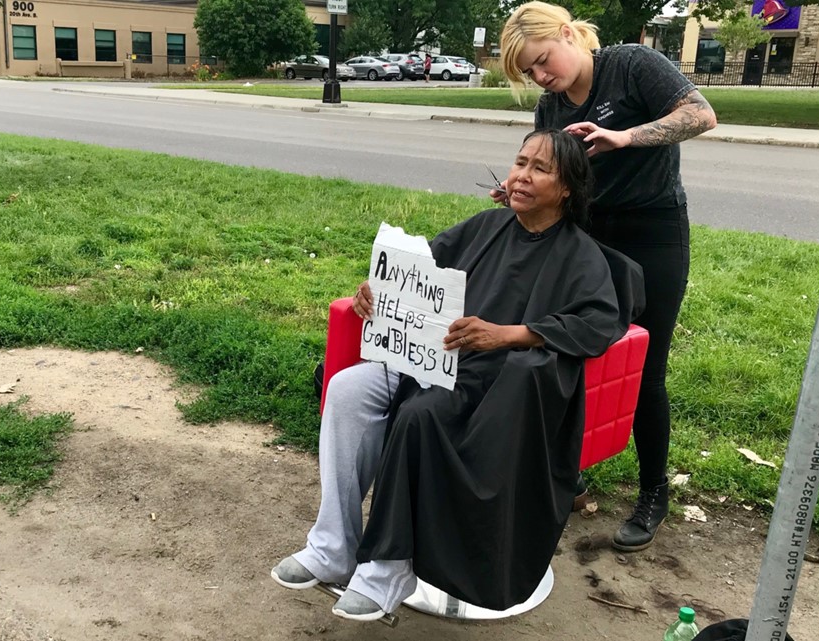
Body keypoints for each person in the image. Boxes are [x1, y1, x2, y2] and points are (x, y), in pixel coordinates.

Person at [271, 129, 644, 621]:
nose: (522, 176)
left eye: (540, 169)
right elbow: (417, 272)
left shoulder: (579, 255)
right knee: (346, 389)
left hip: (492, 385)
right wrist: (374, 292)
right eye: (520, 162)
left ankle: (387, 569)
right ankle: (333, 546)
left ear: (568, 187)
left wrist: (508, 334)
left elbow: (596, 322)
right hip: (430, 360)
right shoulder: (485, 228)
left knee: (418, 415)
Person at [498, 1, 717, 552]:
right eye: (531, 72)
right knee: (570, 352)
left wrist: (626, 136)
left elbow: (700, 115)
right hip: (585, 237)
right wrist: (523, 188)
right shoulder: (550, 108)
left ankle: (653, 493)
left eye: (544, 61)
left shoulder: (631, 64)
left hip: (652, 231)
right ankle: (570, 472)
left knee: (644, 367)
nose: (542, 77)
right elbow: (554, 169)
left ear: (569, 34)